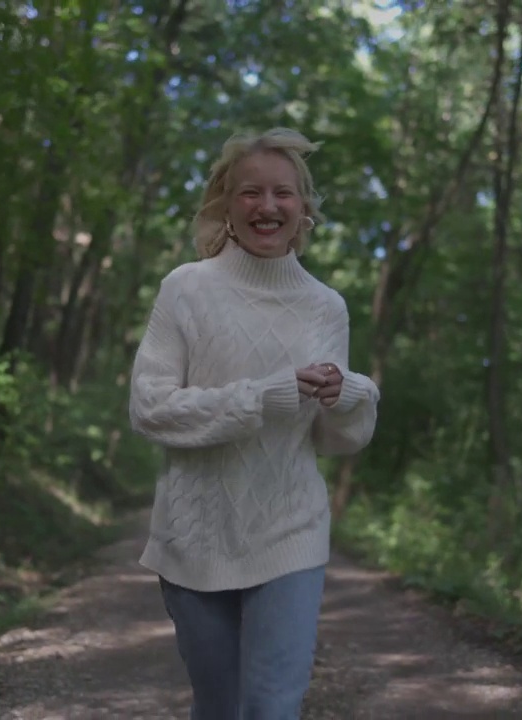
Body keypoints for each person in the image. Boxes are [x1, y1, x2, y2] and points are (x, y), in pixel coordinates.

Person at [128, 127, 380, 719]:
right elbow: (149, 408)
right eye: (250, 193)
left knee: (271, 707)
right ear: (226, 204)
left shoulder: (326, 306)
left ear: (302, 208)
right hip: (194, 535)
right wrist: (261, 397)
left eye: (283, 194)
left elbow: (333, 441)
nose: (267, 206)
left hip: (290, 529)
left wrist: (351, 395)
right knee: (217, 706)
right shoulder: (186, 289)